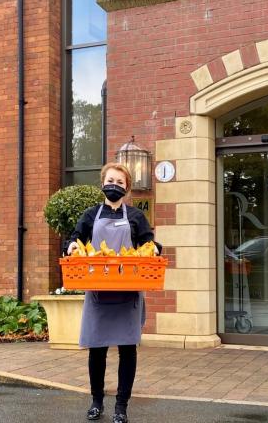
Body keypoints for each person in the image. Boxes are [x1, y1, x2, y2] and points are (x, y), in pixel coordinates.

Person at [67, 163, 161, 423]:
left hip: (128, 293)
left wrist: (153, 250)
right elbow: (74, 238)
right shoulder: (89, 215)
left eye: (120, 182)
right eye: (111, 180)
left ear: (127, 188)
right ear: (102, 183)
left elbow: (148, 242)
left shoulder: (136, 216)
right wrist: (72, 246)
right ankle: (96, 402)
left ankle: (121, 406)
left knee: (127, 351)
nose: (115, 185)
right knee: (96, 349)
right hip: (98, 291)